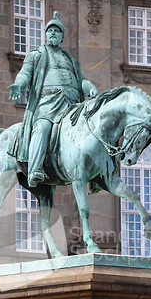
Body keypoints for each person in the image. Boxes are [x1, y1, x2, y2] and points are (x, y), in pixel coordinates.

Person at [8, 11, 98, 187]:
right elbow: (25, 73)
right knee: (42, 127)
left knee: (90, 130)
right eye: (50, 31)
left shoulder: (70, 60)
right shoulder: (36, 55)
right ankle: (35, 169)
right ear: (45, 34)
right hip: (47, 103)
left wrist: (91, 87)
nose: (53, 33)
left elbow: (82, 81)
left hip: (72, 105)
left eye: (57, 31)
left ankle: (96, 175)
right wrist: (18, 84)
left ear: (62, 36)